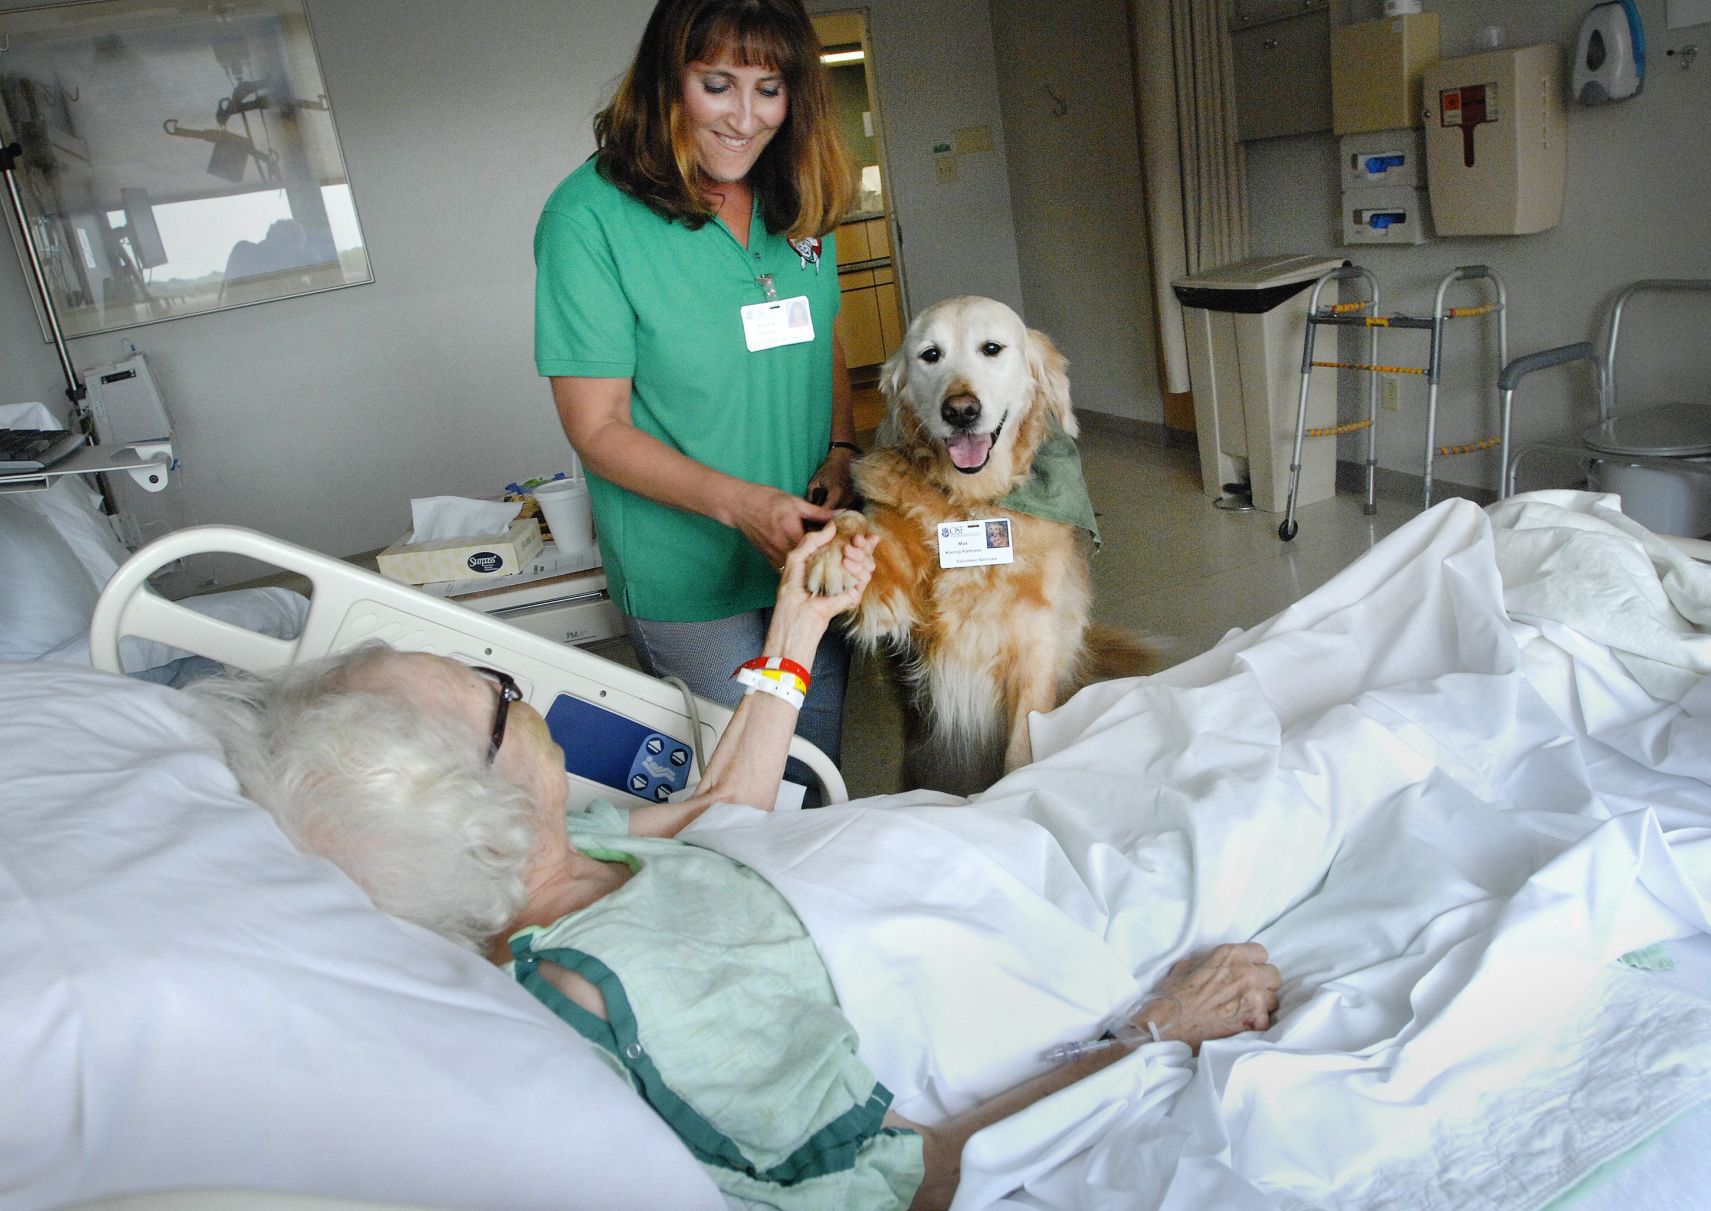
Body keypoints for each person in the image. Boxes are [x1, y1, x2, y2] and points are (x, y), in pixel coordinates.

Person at [195, 526, 1283, 1211]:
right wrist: (1157, 1028)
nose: (518, 690)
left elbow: (723, 810)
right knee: (1281, 764)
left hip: (998, 836)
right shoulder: (619, 993)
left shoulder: (573, 853)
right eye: (492, 687)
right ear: (475, 808)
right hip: (1034, 916)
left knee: (1232, 695)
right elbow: (908, 1176)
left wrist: (797, 619)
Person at [534, 0, 862, 794]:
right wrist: (743, 505)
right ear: (666, 81)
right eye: (717, 84)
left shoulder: (795, 197)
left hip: (805, 543)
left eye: (770, 88)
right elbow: (598, 426)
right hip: (686, 570)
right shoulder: (590, 219)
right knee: (748, 784)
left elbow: (824, 337)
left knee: (814, 770)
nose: (746, 118)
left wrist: (843, 448)